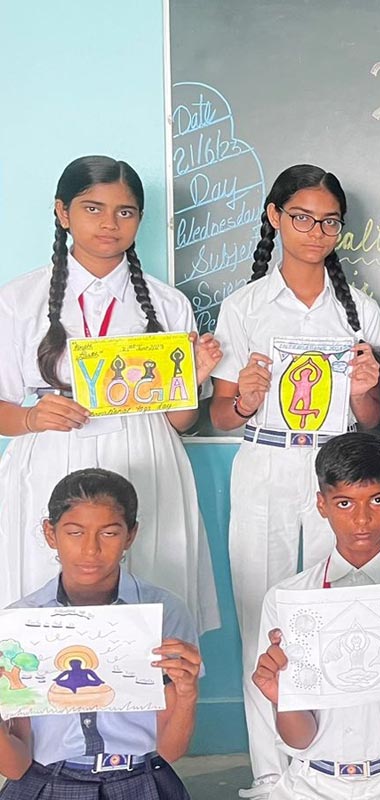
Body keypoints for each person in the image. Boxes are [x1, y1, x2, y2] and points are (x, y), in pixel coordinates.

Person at [208, 165, 380, 799]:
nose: (316, 231)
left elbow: (374, 422)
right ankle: (268, 773)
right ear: (274, 216)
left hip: (335, 471)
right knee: (263, 618)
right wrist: (248, 399)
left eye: (329, 221)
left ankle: (327, 760)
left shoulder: (360, 311)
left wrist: (367, 391)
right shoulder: (245, 307)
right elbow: (220, 414)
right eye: (302, 217)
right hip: (264, 466)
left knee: (331, 615)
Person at [0, 155, 221, 634]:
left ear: (140, 219)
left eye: (125, 212)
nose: (109, 223)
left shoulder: (168, 303)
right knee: (44, 609)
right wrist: (32, 418)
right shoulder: (18, 299)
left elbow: (180, 422)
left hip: (146, 455)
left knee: (152, 591)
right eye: (92, 208)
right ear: (63, 213)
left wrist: (195, 375)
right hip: (50, 456)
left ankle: (157, 706)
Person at [250, 433, 380, 800]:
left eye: (376, 500)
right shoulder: (289, 599)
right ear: (321, 504)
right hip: (311, 783)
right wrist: (279, 697)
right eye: (344, 503)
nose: (362, 519)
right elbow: (299, 738)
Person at [0, 469, 203, 800]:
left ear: (131, 535)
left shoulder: (165, 612)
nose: (90, 550)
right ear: (50, 534)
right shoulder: (22, 622)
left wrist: (188, 693)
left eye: (109, 533)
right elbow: (16, 765)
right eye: (75, 532)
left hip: (140, 778)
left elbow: (171, 750)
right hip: (47, 781)